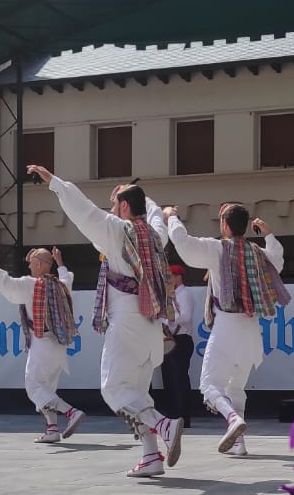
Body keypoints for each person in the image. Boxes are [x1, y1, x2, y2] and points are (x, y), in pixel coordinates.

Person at [27, 164, 183, 478]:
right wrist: (147, 202)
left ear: (124, 207)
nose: (110, 209)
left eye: (114, 204)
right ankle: (151, 456)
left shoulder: (115, 229)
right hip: (151, 326)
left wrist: (54, 182)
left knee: (113, 389)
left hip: (126, 321)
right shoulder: (155, 235)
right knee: (138, 394)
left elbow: (83, 210)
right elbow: (152, 214)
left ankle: (164, 424)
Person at [164, 203, 290, 456]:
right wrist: (268, 234)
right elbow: (278, 258)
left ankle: (232, 419)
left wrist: (172, 217)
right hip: (251, 330)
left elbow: (184, 244)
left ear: (224, 225)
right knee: (235, 387)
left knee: (209, 386)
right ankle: (239, 443)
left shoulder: (218, 249)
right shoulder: (257, 252)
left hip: (226, 325)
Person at [0, 245, 86, 443]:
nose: (29, 267)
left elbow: (6, 283)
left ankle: (71, 412)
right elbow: (66, 276)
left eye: (32, 263)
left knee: (34, 387)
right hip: (58, 346)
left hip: (42, 343)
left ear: (39, 264)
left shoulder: (31, 285)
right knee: (46, 390)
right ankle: (52, 429)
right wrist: (59, 261)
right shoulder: (61, 285)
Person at [158, 264, 195, 429]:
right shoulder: (169, 296)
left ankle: (183, 415)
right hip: (169, 338)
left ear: (178, 277)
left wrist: (168, 319)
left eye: (171, 276)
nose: (168, 279)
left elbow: (186, 317)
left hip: (181, 339)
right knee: (168, 378)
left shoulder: (184, 294)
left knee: (179, 378)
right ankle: (172, 413)